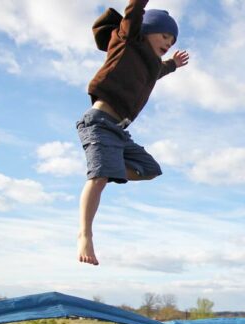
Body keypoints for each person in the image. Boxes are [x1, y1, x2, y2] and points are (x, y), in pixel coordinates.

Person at [76, 0, 189, 266]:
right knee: (100, 178)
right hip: (100, 121)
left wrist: (172, 64)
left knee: (150, 168)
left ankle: (107, 166)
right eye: (164, 36)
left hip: (119, 131)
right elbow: (134, 11)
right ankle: (84, 234)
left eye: (172, 41)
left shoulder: (150, 65)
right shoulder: (128, 40)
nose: (168, 43)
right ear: (146, 30)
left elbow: (157, 71)